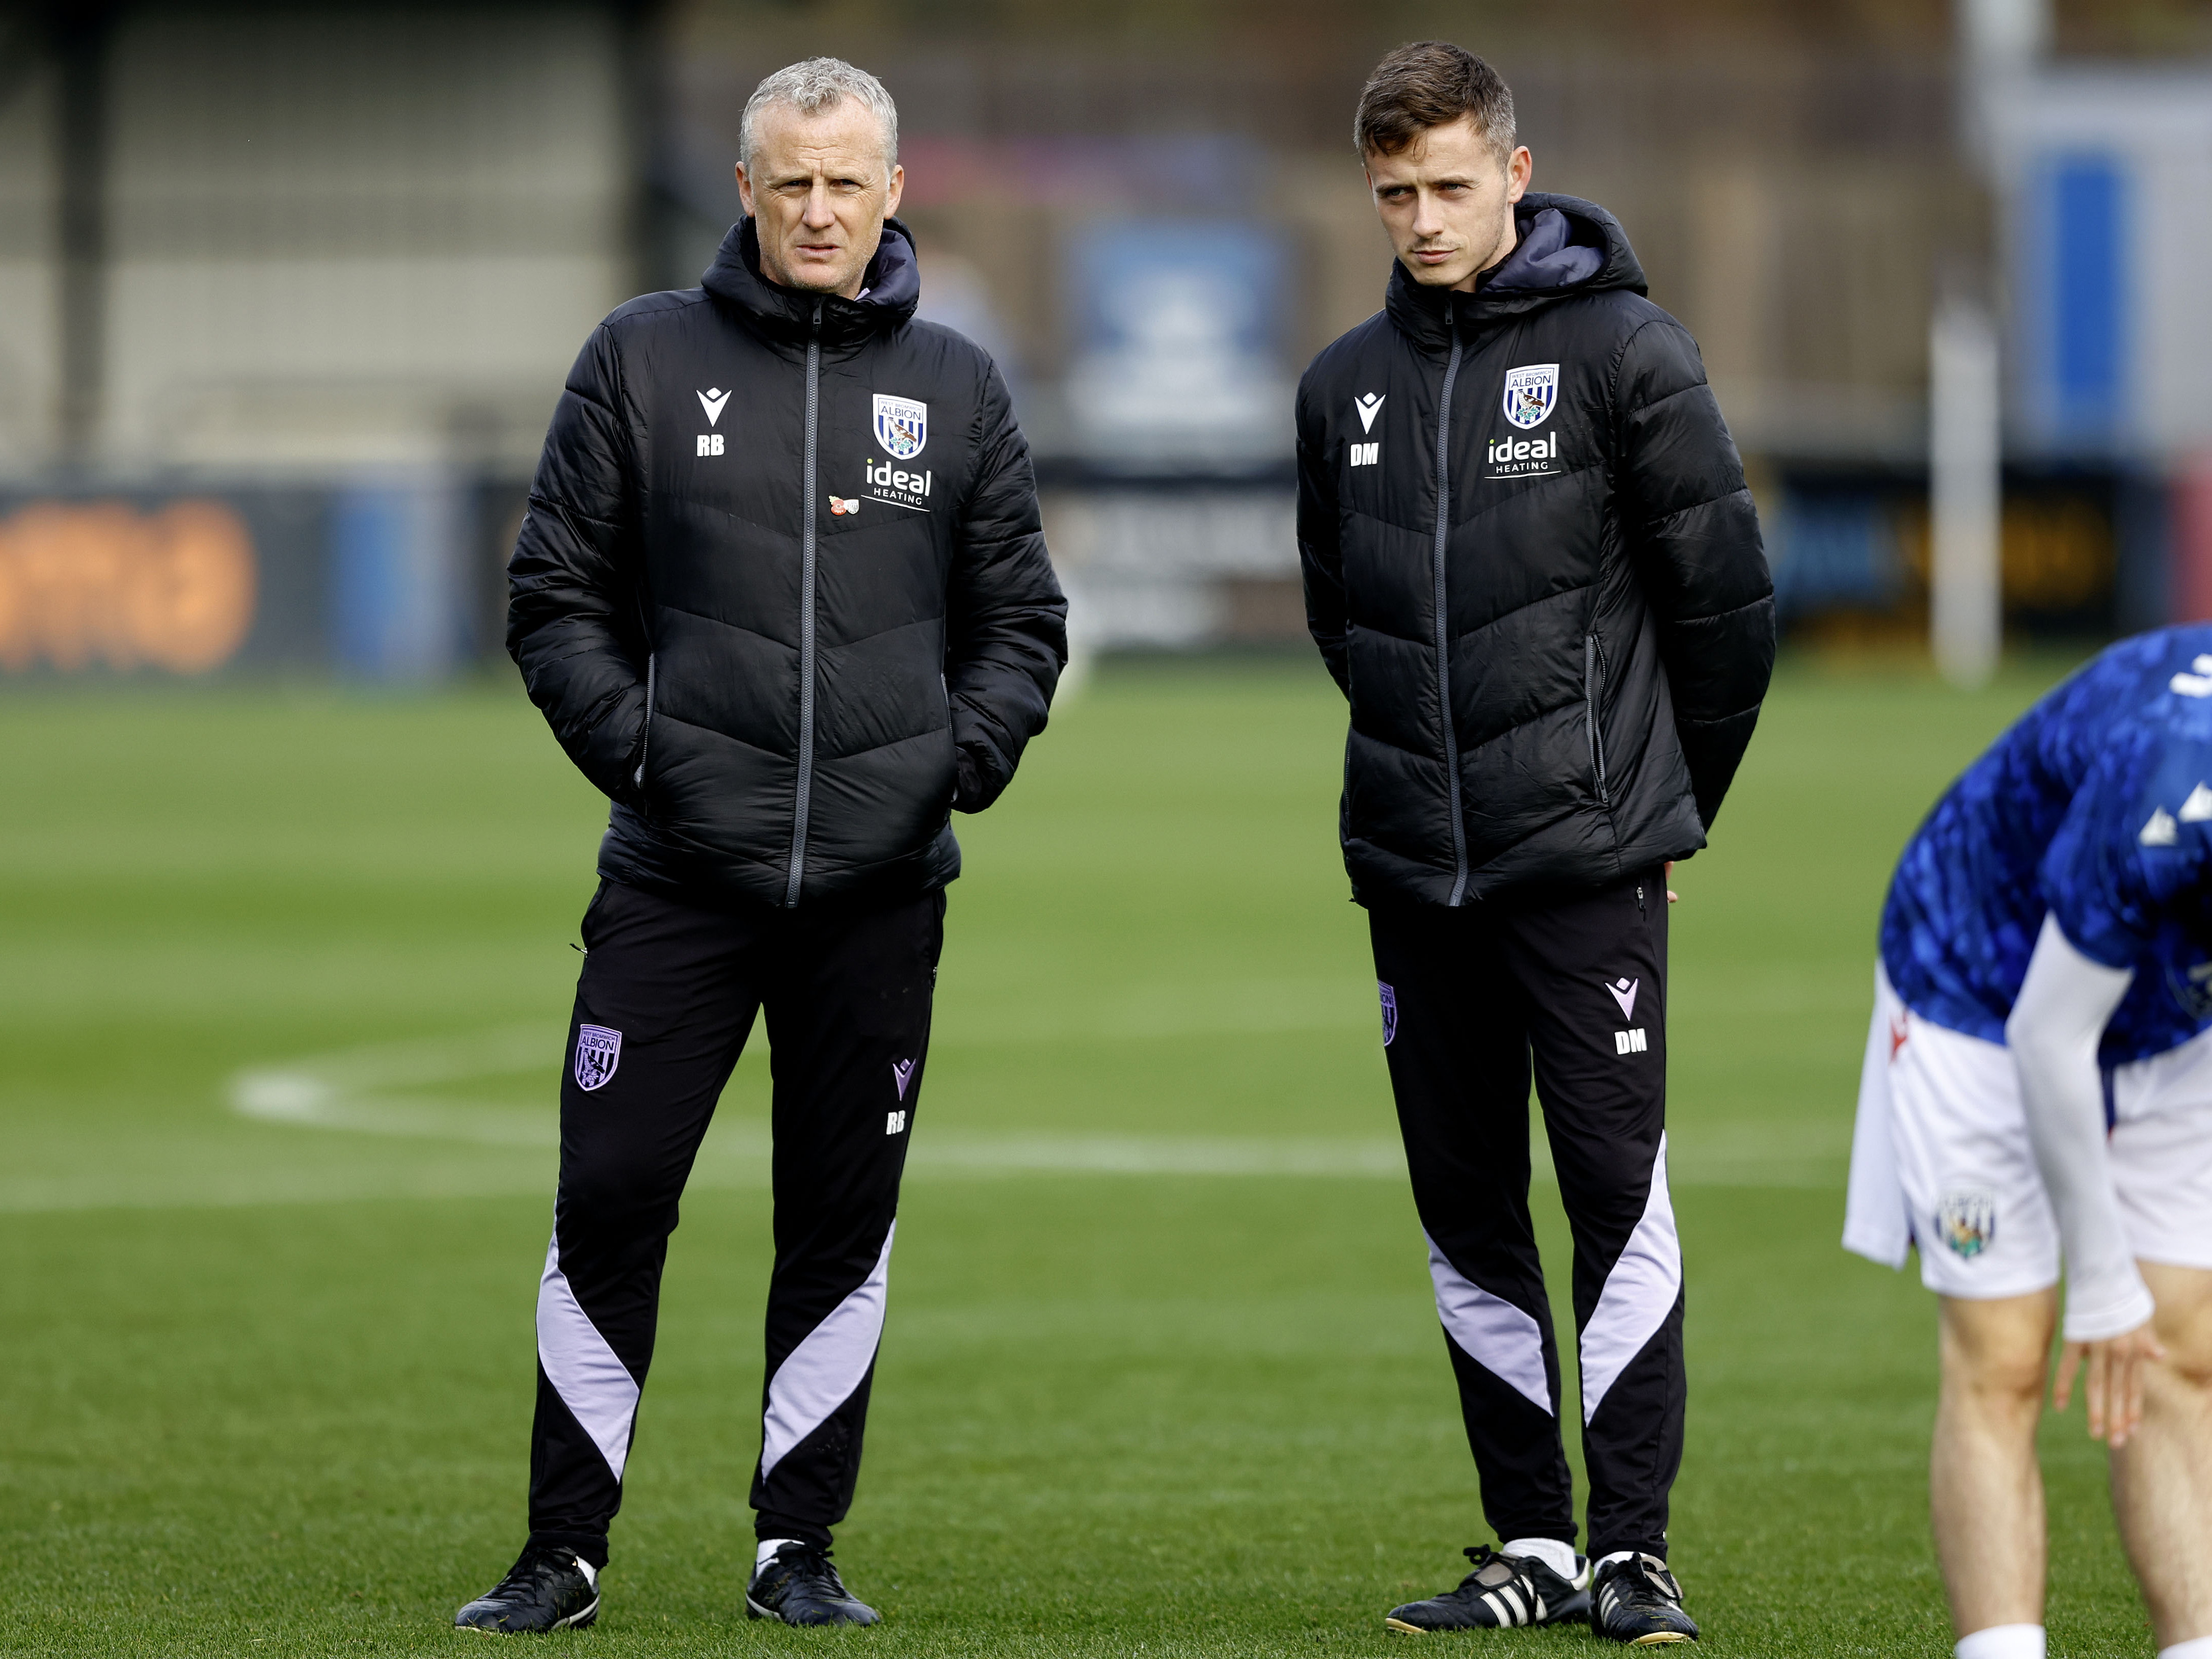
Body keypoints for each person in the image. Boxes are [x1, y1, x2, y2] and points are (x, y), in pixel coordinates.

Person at [453, 57, 1066, 1634]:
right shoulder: (641, 359)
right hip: (674, 881)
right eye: (788, 180)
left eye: (844, 181)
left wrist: (952, 766)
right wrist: (651, 760)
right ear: (743, 189)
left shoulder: (956, 387)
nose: (816, 208)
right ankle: (561, 1554)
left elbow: (1022, 625)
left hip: (877, 893)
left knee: (838, 1226)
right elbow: (551, 601)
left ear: (891, 194)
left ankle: (797, 1550)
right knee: (609, 1195)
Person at [1296, 41, 1773, 1645]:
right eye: (1392, 196)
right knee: (1463, 1208)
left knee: (1612, 1199)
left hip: (1585, 864)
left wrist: (1647, 802)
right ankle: (1530, 1541)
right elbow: (1339, 618)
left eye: (1445, 187)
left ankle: (1632, 1554)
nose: (1420, 221)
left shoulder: (1626, 352)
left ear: (1512, 170)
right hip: (1410, 869)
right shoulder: (1339, 387)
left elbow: (1722, 611)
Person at [1846, 627, 2212, 1659]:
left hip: (2175, 1010)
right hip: (1980, 980)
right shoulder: (2174, 783)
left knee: (2182, 1348)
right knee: (2004, 1354)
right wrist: (2099, 1278)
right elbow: (2048, 1034)